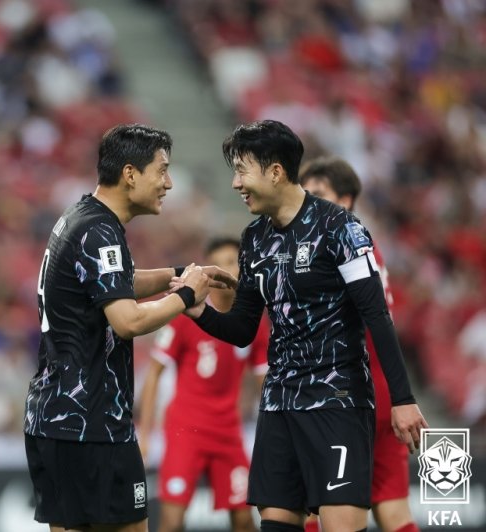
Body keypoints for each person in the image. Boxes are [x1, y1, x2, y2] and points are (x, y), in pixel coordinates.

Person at [181, 120, 427, 532]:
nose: (236, 183)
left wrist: (402, 399)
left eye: (242, 170)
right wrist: (199, 311)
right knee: (276, 523)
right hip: (279, 406)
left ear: (275, 171)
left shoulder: (340, 228)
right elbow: (243, 329)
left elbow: (376, 315)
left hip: (338, 402)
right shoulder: (254, 239)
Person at [24, 124, 237, 532]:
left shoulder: (84, 217)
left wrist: (183, 275)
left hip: (70, 419)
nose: (169, 183)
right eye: (162, 171)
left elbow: (118, 282)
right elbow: (127, 321)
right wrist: (187, 297)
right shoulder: (99, 230)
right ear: (130, 174)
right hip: (86, 423)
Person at [300, 156, 418, 532]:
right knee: (395, 514)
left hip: (344, 394)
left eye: (318, 194)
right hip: (383, 390)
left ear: (347, 199)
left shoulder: (335, 247)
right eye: (305, 195)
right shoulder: (371, 249)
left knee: (321, 511)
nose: (308, 203)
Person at [137, 236, 268, 532]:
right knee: (171, 520)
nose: (226, 270)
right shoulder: (188, 314)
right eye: (219, 263)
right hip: (186, 430)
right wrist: (145, 434)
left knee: (245, 519)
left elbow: (265, 383)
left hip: (228, 432)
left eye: (233, 262)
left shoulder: (255, 324)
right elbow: (155, 371)